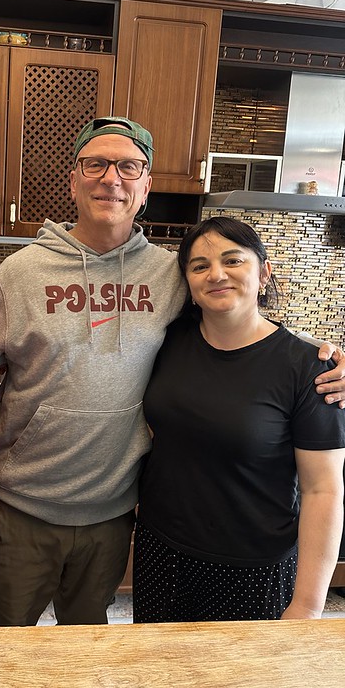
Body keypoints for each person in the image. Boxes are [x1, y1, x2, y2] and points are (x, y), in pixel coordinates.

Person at [0, 116, 345, 627]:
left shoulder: (168, 273)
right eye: (95, 164)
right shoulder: (19, 274)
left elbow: (239, 321)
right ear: (73, 180)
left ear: (145, 187)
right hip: (24, 504)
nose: (111, 179)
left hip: (113, 509)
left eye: (129, 167)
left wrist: (322, 355)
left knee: (90, 646)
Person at [134, 216, 345, 623]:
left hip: (253, 567)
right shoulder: (168, 341)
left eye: (233, 260)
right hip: (161, 550)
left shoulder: (310, 368)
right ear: (188, 283)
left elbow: (323, 491)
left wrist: (307, 605)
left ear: (263, 273)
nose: (216, 274)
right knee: (157, 661)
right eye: (200, 266)